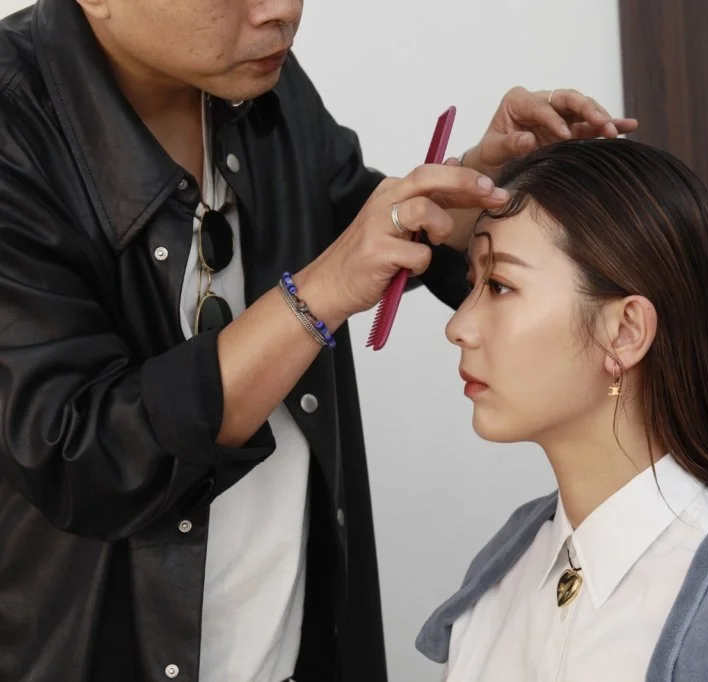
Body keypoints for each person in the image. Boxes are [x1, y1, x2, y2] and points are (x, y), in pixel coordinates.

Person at [0, 0, 637, 680]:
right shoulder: (18, 128)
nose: (281, 10)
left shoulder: (256, 79)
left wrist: (472, 191)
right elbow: (79, 450)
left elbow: (347, 223)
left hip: (295, 644)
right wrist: (319, 294)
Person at [416, 138, 708, 681]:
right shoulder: (503, 574)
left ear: (625, 332)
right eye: (473, 285)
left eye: (500, 286)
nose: (458, 326)